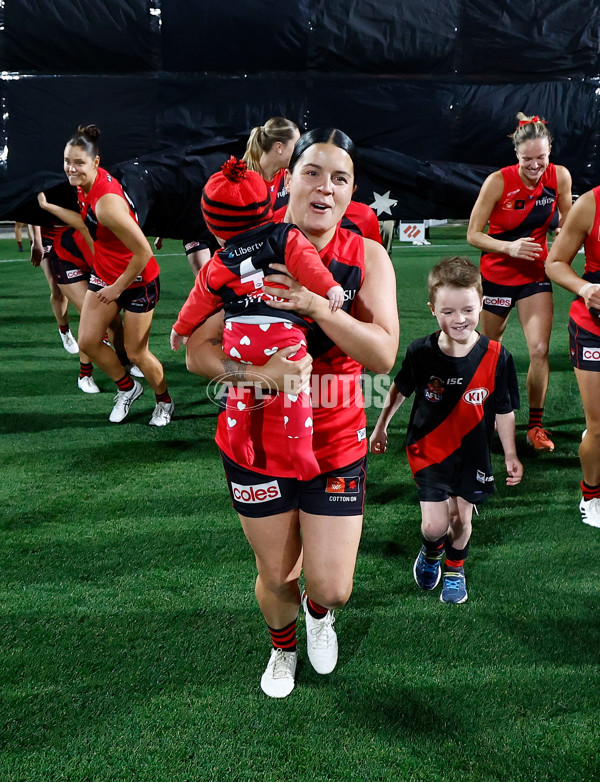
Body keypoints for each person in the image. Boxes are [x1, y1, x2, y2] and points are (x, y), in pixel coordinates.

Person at [184, 128, 399, 697]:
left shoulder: (366, 255)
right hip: (256, 441)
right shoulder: (251, 249)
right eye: (313, 172)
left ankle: (319, 615)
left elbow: (381, 355)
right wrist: (258, 377)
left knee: (331, 588)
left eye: (340, 178)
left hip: (335, 440)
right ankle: (283, 649)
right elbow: (196, 352)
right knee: (277, 574)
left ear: (351, 192)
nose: (325, 187)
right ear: (289, 180)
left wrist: (315, 306)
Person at [171, 156, 344, 480]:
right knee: (295, 388)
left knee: (239, 388)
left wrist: (181, 328)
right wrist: (330, 286)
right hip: (282, 335)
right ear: (265, 208)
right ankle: (301, 450)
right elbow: (308, 265)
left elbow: (199, 298)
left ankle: (238, 439)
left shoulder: (218, 261)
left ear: (215, 227)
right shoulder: (285, 237)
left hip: (239, 338)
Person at [369, 256, 523, 604]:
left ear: (481, 304)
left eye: (467, 309)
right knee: (435, 525)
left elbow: (504, 410)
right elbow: (400, 390)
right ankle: (431, 552)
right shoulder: (421, 352)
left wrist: (511, 454)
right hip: (429, 448)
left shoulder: (497, 356)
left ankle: (455, 570)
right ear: (432, 310)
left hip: (473, 453)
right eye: (448, 311)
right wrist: (381, 428)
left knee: (460, 520)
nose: (459, 319)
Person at [38, 124, 173, 425]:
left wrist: (116, 288)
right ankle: (127, 388)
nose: (71, 168)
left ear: (96, 163)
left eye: (78, 163)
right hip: (105, 274)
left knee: (136, 353)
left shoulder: (106, 204)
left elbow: (144, 253)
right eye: (67, 161)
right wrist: (48, 207)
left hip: (138, 281)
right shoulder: (84, 186)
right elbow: (84, 223)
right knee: (87, 341)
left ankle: (164, 401)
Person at [466, 112, 573, 452]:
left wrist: (563, 233)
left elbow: (567, 219)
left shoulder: (559, 176)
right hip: (496, 275)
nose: (535, 165)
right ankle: (485, 419)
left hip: (534, 274)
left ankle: (535, 427)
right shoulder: (498, 181)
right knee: (489, 350)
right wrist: (508, 247)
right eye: (527, 159)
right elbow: (473, 234)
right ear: (516, 154)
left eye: (541, 157)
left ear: (550, 150)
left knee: (539, 350)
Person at [545, 187, 600, 528]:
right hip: (593, 328)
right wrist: (585, 288)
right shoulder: (592, 203)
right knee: (599, 428)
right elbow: (554, 263)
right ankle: (592, 495)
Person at [242, 117, 301, 210]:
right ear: (279, 147)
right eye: (296, 146)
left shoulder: (289, 175)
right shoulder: (242, 179)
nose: (299, 152)